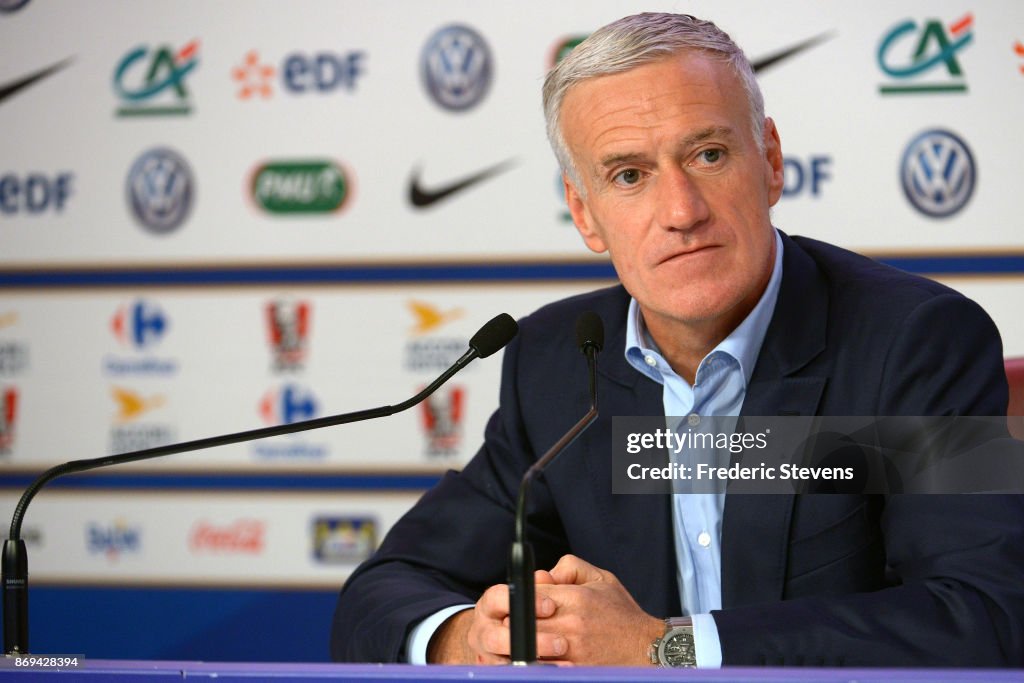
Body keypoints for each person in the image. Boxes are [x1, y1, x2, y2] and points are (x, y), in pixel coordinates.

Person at [330, 12, 1024, 667]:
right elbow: (387, 589)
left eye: (710, 154)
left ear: (771, 161)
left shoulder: (912, 342)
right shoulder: (559, 360)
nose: (681, 212)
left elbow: (985, 615)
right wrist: (466, 637)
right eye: (629, 175)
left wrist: (666, 647)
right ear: (585, 214)